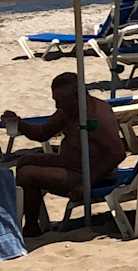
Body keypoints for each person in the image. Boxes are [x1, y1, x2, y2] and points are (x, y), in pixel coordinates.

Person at [3, 72, 127, 238]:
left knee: (27, 174)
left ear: (77, 96)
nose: (57, 106)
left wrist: (87, 182)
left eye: (60, 101)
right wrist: (19, 123)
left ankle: (31, 226)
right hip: (69, 163)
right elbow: (43, 133)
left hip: (90, 174)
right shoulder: (68, 110)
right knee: (24, 161)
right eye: (55, 101)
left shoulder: (96, 115)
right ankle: (32, 218)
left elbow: (117, 153)